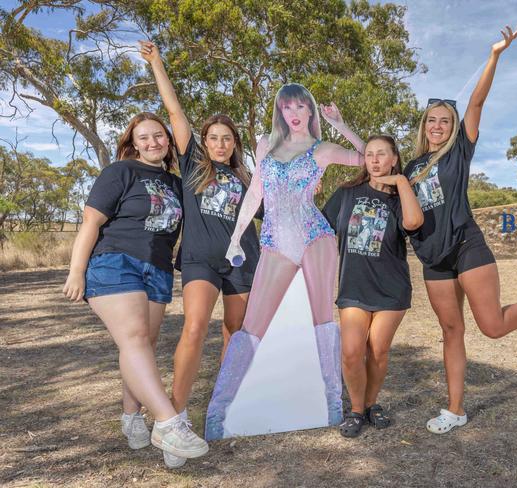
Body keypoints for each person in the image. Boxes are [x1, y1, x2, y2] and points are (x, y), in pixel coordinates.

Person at [403, 26, 517, 434]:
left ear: (453, 126)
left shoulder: (460, 148)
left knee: (491, 327)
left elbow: (477, 101)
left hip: (465, 244)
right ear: (423, 126)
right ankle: (455, 410)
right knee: (451, 329)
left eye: (445, 120)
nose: (438, 126)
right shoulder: (409, 169)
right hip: (433, 256)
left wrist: (495, 55)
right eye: (432, 121)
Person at [204, 83, 365, 440]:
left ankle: (331, 404)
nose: (293, 112)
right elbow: (256, 192)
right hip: (276, 241)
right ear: (280, 112)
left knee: (323, 321)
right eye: (286, 106)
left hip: (315, 238)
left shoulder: (322, 149)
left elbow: (373, 158)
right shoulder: (266, 146)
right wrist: (235, 237)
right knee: (251, 327)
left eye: (299, 106)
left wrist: (340, 125)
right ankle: (219, 413)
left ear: (310, 110)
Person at [140, 41, 261, 467]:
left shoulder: (249, 178)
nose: (220, 143)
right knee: (194, 328)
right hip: (199, 260)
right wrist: (158, 64)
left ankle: (224, 404)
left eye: (227, 138)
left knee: (236, 332)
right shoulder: (193, 164)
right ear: (204, 142)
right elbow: (174, 113)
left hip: (244, 262)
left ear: (235, 143)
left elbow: (277, 208)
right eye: (214, 137)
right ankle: (173, 418)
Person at [62, 112, 208, 461]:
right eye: (144, 137)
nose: (153, 142)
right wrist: (76, 270)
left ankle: (131, 417)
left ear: (168, 141)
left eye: (159, 135)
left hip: (157, 270)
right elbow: (91, 222)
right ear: (133, 144)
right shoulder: (120, 173)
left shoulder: (176, 184)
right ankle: (168, 424)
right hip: (115, 262)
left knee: (143, 345)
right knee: (135, 340)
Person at [322, 135, 423, 437]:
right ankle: (355, 410)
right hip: (354, 286)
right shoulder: (347, 193)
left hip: (391, 288)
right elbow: (319, 226)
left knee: (377, 350)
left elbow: (414, 222)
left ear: (394, 159)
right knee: (352, 351)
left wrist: (402, 183)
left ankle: (369, 404)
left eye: (382, 154)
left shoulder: (401, 196)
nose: (375, 160)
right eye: (369, 155)